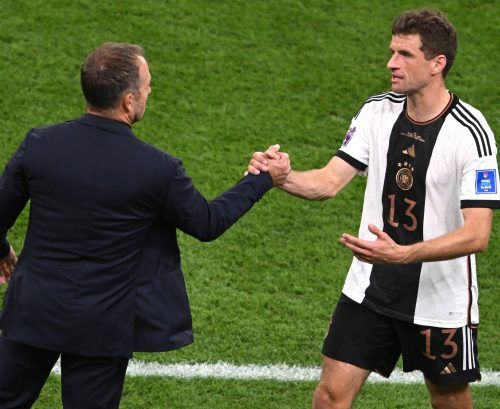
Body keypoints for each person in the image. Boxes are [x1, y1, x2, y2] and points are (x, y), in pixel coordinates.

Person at [0, 42, 290, 409]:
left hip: (34, 309)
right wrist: (262, 179)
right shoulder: (157, 169)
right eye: (147, 85)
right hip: (103, 324)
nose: (150, 91)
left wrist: (3, 250)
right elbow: (207, 223)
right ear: (127, 101)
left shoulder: (39, 145)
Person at [249, 9, 499, 409]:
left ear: (437, 63)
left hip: (440, 300)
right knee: (330, 395)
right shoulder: (377, 111)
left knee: (450, 399)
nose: (391, 63)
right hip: (370, 287)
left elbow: (478, 234)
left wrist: (403, 254)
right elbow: (329, 182)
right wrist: (283, 177)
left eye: (405, 54)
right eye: (392, 51)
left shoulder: (471, 133)